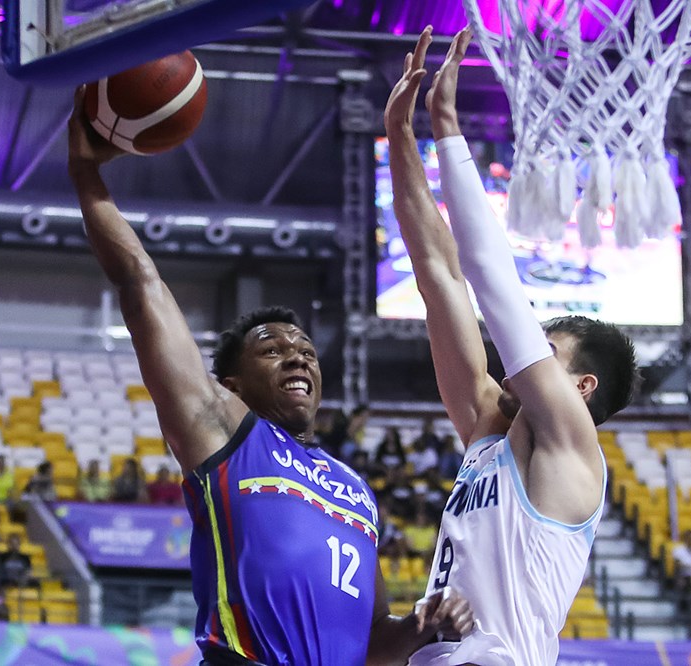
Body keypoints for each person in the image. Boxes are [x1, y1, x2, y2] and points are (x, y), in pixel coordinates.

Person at [68, 89, 473, 665]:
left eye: (306, 350)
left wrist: (420, 625)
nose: (298, 357)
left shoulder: (355, 487)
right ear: (231, 385)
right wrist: (86, 175)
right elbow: (140, 283)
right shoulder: (226, 433)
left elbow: (371, 643)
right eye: (272, 349)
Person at [385, 27, 638, 665]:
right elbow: (439, 275)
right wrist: (400, 138)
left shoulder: (571, 445)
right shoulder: (488, 428)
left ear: (581, 388)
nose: (522, 355)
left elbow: (491, 277)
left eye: (547, 349)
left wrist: (448, 128)